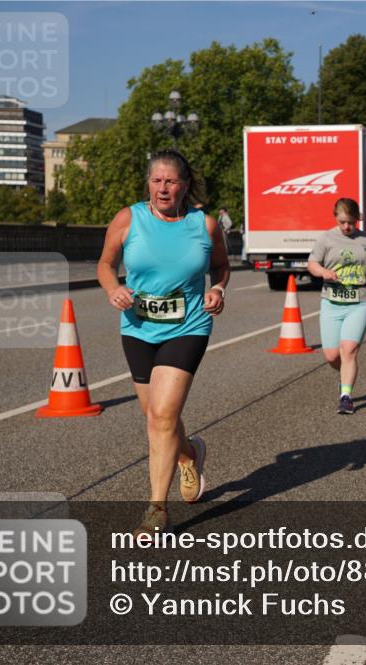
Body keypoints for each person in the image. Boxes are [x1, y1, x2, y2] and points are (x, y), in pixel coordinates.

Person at [97, 149, 229, 538]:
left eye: (170, 181)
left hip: (188, 325)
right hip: (138, 328)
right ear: (148, 185)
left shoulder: (203, 225)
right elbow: (105, 264)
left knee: (162, 416)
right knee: (155, 415)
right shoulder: (128, 218)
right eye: (156, 181)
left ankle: (157, 509)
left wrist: (218, 288)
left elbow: (221, 265)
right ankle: (189, 455)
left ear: (184, 186)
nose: (163, 188)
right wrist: (113, 288)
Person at [307, 198, 366, 415]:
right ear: (335, 218)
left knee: (349, 350)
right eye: (342, 222)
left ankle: (346, 396)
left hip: (358, 303)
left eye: (350, 222)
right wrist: (323, 272)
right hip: (331, 303)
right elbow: (312, 263)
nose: (346, 227)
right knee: (332, 356)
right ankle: (345, 375)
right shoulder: (326, 238)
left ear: (357, 219)